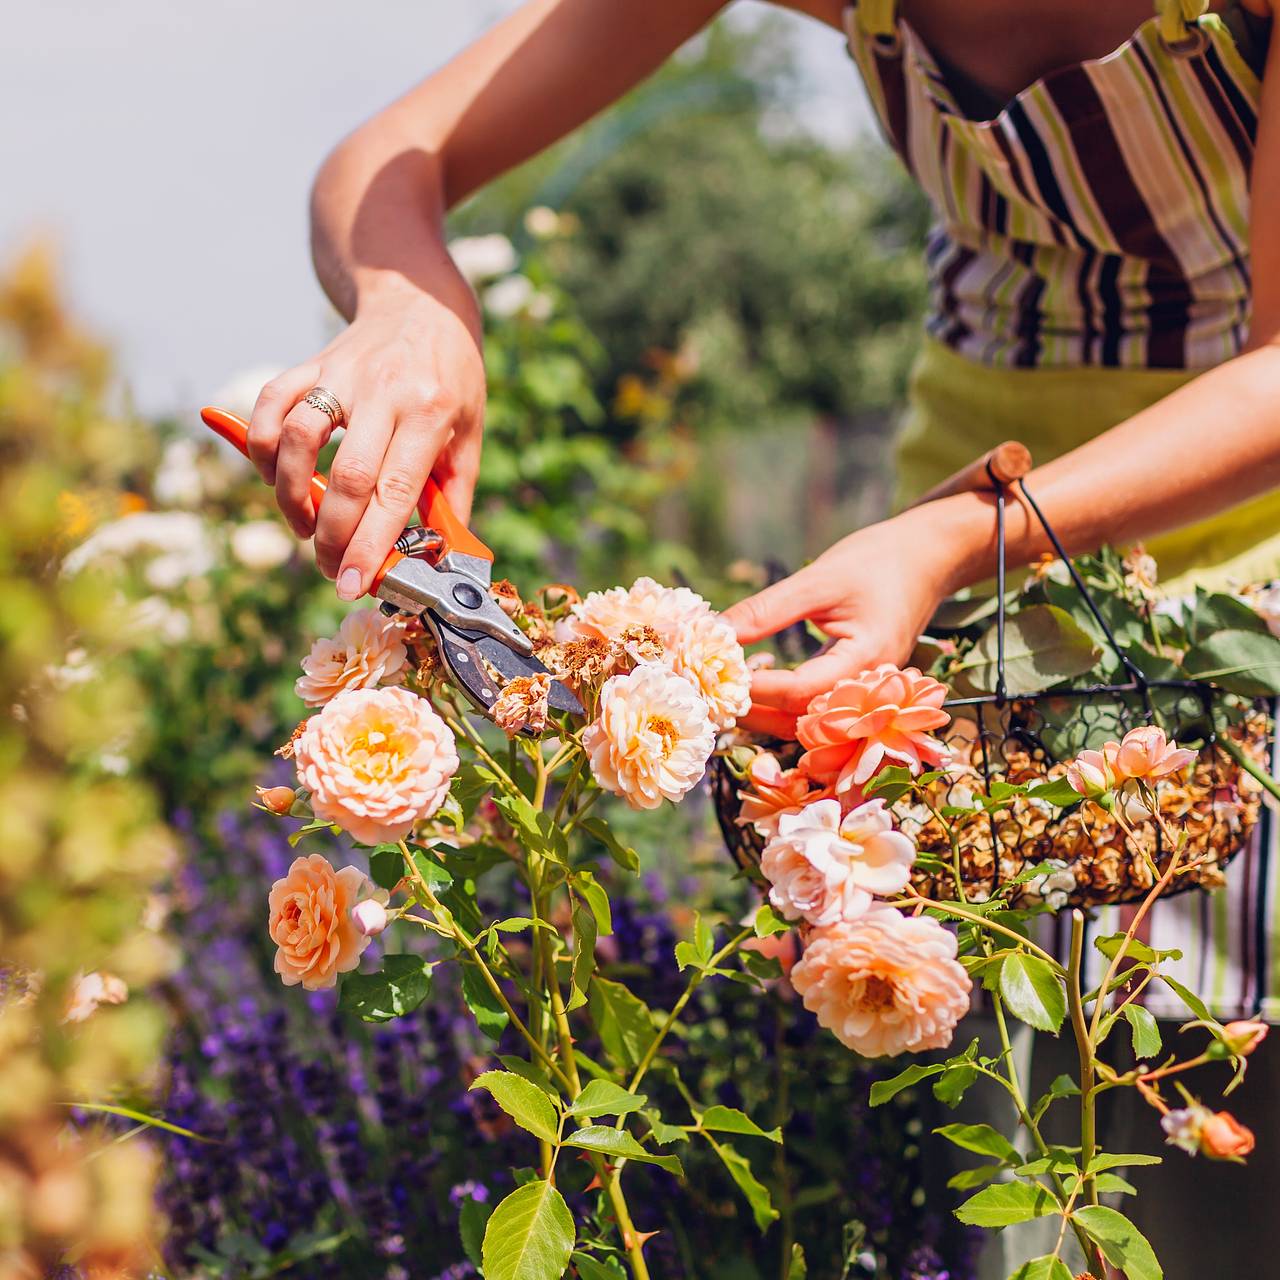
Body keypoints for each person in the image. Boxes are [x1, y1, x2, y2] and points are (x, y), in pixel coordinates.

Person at [244, 0, 1280, 1270]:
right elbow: (385, 158)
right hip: (964, 556)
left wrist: (961, 530)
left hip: (1219, 519)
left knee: (1213, 1082)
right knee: (996, 1104)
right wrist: (412, 303)